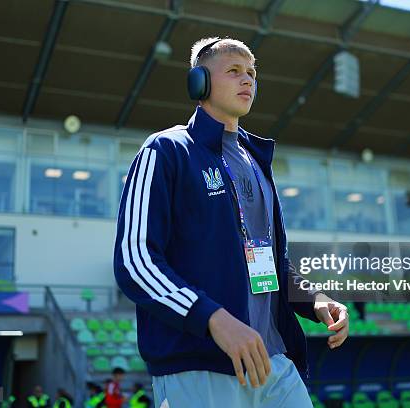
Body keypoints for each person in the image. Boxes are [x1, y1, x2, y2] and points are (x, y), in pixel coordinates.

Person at [113, 36, 349, 408]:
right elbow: (135, 260)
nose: (247, 79)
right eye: (234, 70)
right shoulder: (166, 150)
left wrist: (314, 299)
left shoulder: (257, 161)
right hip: (199, 366)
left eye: (252, 73)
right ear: (200, 82)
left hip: (273, 361)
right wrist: (213, 319)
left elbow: (267, 261)